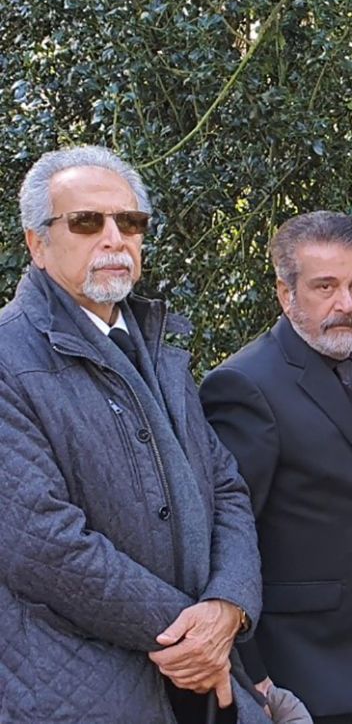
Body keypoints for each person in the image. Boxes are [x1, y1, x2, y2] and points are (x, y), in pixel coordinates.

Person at [0, 146, 266, 723]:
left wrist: (228, 606)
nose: (114, 237)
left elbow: (225, 488)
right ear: (36, 244)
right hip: (79, 689)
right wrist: (190, 636)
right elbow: (40, 544)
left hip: (195, 681)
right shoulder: (6, 356)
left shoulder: (158, 345)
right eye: (87, 222)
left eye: (130, 222)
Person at [200, 212, 352, 724]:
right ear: (286, 294)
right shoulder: (244, 385)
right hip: (293, 671)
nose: (345, 304)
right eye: (325, 286)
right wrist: (250, 671)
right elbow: (225, 534)